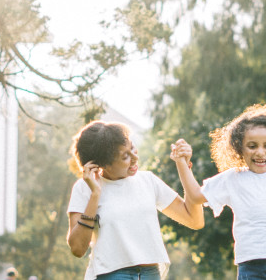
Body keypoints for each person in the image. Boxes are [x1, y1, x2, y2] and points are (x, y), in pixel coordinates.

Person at [172, 97, 266, 279]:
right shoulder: (233, 177)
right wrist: (182, 162)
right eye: (252, 146)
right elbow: (196, 196)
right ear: (240, 149)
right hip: (251, 263)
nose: (260, 152)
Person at [66, 120, 204, 280]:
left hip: (150, 274)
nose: (134, 157)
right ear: (104, 165)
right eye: (125, 156)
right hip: (112, 274)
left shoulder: (148, 181)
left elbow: (195, 220)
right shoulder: (84, 188)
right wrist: (95, 195)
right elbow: (77, 249)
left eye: (132, 148)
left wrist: (183, 166)